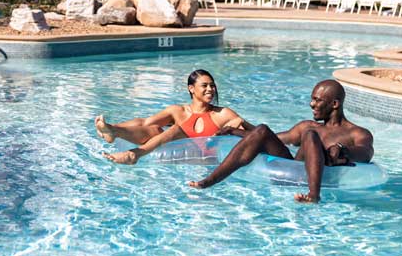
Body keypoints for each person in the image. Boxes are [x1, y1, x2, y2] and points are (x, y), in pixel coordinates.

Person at [109, 79, 372, 204]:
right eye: (312, 99)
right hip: (295, 166)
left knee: (312, 136)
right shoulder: (307, 125)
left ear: (335, 104)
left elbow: (364, 154)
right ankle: (210, 180)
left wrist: (342, 151)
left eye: (318, 100)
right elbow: (273, 139)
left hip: (321, 173)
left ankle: (314, 196)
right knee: (262, 130)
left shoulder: (357, 133)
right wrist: (236, 133)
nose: (312, 104)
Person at [97, 70, 251, 160]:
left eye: (212, 85)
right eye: (204, 85)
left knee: (175, 130)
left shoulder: (223, 113)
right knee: (154, 129)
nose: (210, 89)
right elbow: (144, 123)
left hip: (205, 162)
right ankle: (113, 132)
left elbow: (257, 136)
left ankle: (134, 155)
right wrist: (113, 127)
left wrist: (242, 122)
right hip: (177, 158)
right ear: (191, 88)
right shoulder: (178, 111)